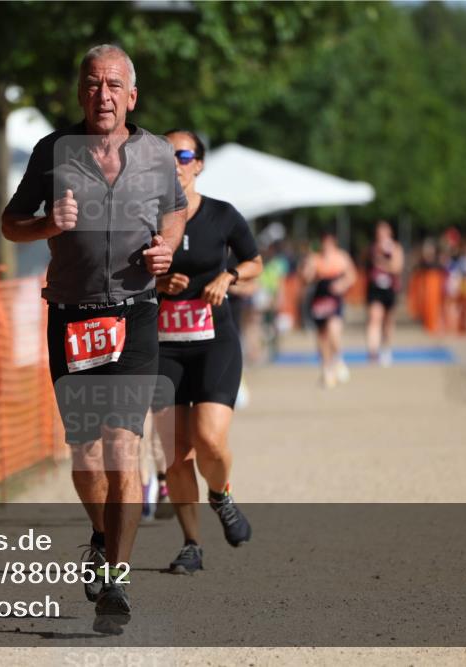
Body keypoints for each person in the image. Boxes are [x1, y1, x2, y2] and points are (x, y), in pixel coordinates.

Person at [1, 44, 187, 634]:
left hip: (134, 315)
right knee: (86, 456)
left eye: (113, 86)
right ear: (79, 91)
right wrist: (47, 225)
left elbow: (176, 210)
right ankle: (104, 534)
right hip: (73, 316)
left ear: (132, 96)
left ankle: (118, 581)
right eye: (92, 84)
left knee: (121, 448)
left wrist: (168, 246)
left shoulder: (158, 154)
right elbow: (10, 223)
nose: (102, 95)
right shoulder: (52, 152)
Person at [151, 130, 263, 575]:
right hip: (163, 349)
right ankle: (191, 543)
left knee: (209, 440)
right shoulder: (145, 218)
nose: (174, 162)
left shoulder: (221, 215)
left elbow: (255, 261)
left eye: (182, 155)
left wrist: (229, 276)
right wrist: (156, 284)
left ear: (198, 164)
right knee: (174, 455)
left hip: (214, 341)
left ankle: (221, 495)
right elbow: (119, 274)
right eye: (166, 155)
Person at [301, 229, 357, 388]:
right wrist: (307, 266)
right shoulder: (315, 258)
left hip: (334, 299)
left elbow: (352, 275)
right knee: (322, 336)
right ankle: (326, 368)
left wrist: (342, 285)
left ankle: (338, 359)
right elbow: (307, 278)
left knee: (334, 329)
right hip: (319, 298)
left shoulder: (341, 257)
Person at [365, 221, 404, 366]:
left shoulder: (395, 248)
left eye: (384, 232)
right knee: (375, 318)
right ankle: (372, 352)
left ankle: (386, 348)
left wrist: (383, 261)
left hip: (390, 289)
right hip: (375, 289)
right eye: (378, 233)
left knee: (388, 321)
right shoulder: (372, 248)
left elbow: (397, 267)